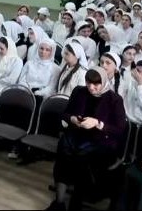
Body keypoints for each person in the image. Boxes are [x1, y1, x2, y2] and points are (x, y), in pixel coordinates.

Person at [46, 67, 127, 211]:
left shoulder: (114, 99)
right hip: (77, 135)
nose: (91, 87)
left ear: (104, 82)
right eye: (88, 83)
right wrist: (73, 119)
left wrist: (98, 123)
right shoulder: (79, 91)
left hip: (101, 140)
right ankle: (59, 202)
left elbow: (119, 129)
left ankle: (76, 202)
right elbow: (65, 114)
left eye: (96, 84)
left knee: (82, 160)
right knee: (63, 152)